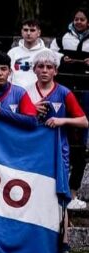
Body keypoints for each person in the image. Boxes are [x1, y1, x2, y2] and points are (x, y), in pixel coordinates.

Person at [25, 50, 88, 210]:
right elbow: (16, 119)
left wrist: (62, 120)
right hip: (32, 150)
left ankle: (62, 224)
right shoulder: (26, 92)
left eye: (49, 67)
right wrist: (31, 109)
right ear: (34, 69)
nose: (44, 70)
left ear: (56, 71)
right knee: (33, 192)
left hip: (58, 150)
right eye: (40, 66)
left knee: (58, 197)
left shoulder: (64, 93)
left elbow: (84, 122)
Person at [7, 19, 50, 89]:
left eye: (32, 30)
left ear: (39, 33)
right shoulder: (12, 52)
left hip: (38, 93)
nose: (28, 33)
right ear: (21, 32)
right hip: (16, 93)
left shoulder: (47, 53)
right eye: (25, 30)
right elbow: (8, 76)